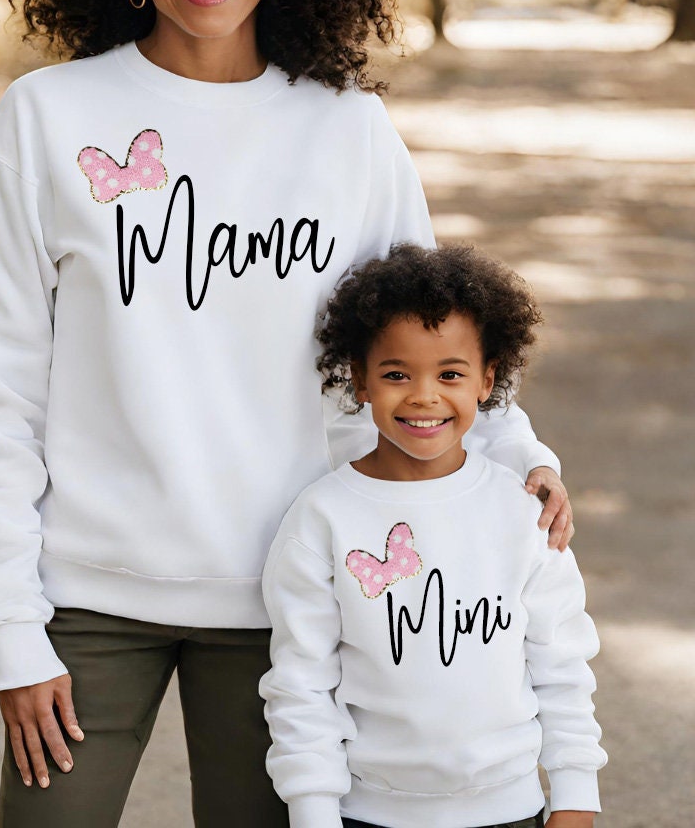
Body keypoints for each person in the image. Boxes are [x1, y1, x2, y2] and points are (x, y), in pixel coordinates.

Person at [0, 0, 574, 828]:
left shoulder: (347, 130)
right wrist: (12, 624)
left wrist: (520, 452)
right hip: (88, 598)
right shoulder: (46, 120)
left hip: (293, 595)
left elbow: (427, 328)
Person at [259, 242, 606, 828]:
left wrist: (575, 795)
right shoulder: (322, 517)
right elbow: (301, 682)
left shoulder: (521, 512)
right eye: (396, 374)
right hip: (367, 814)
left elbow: (562, 663)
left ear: (486, 382)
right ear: (361, 382)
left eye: (450, 373)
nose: (423, 395)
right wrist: (313, 812)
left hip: (512, 809)